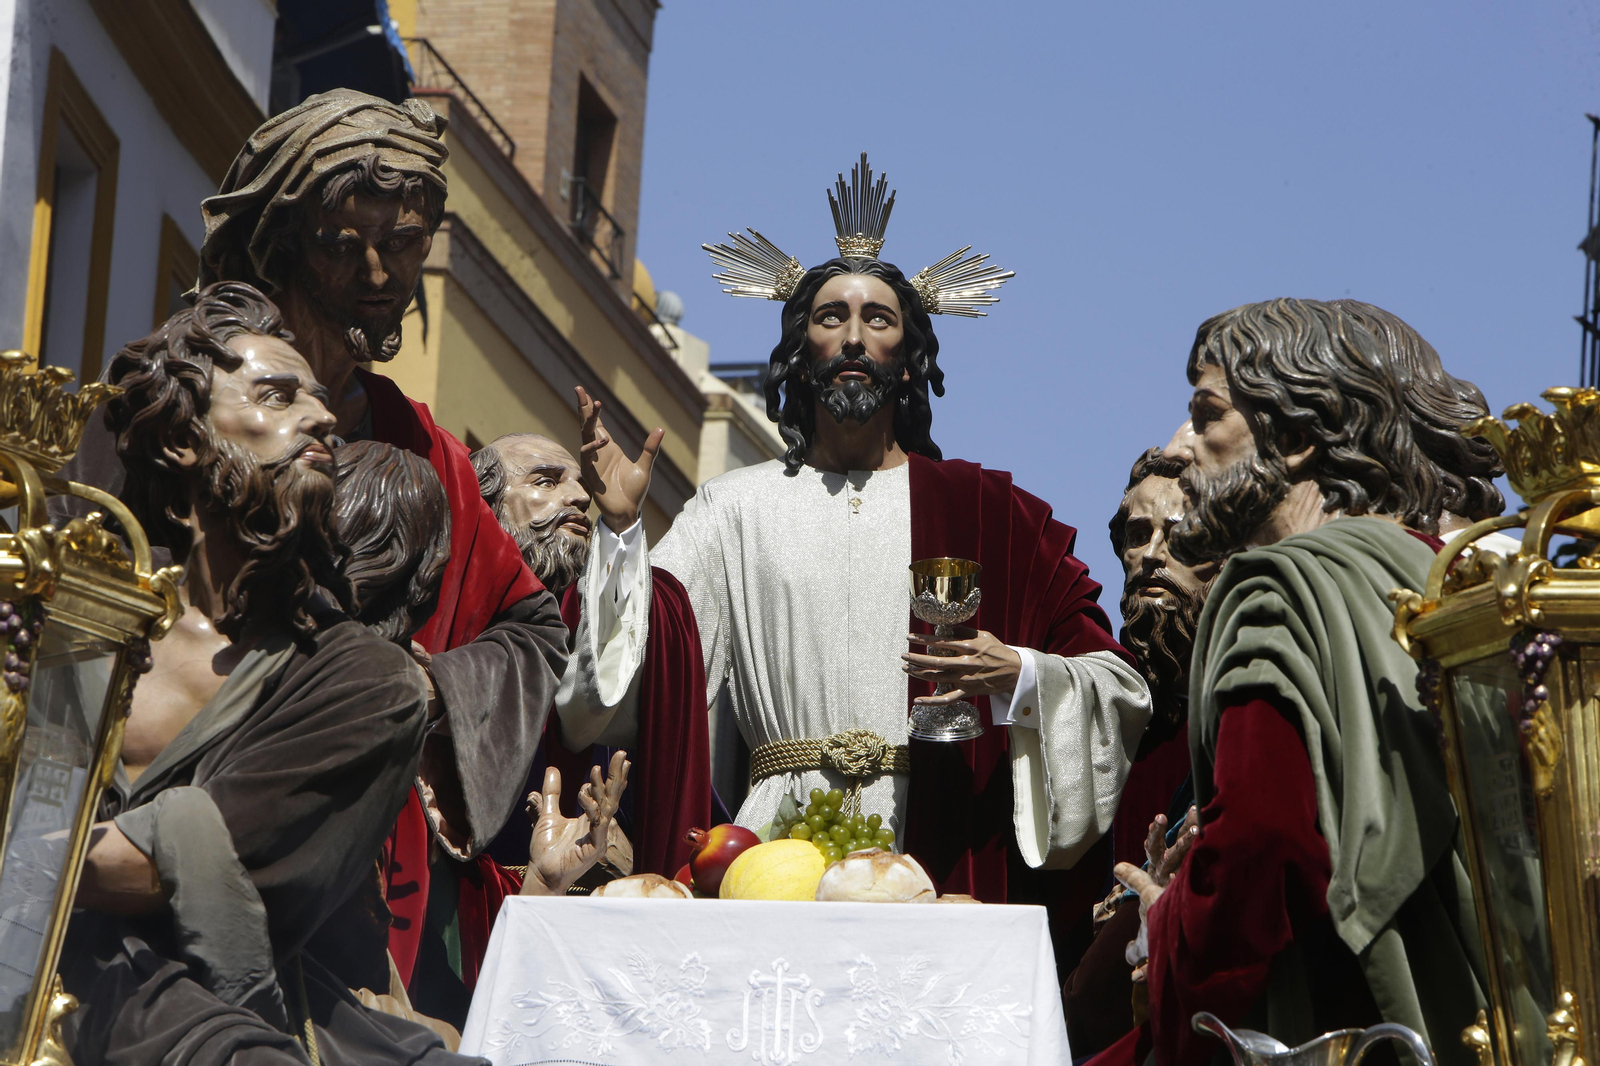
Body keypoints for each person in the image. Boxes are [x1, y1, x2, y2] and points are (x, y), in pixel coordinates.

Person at [558, 155, 1150, 967]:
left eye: (879, 320)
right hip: (773, 850)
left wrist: (1017, 673)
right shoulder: (734, 508)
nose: (853, 337)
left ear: (909, 355)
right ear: (800, 347)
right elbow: (633, 681)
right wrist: (623, 533)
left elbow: (1116, 685)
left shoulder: (988, 512)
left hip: (932, 852)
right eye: (830, 317)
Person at [196, 88, 567, 1008]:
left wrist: (427, 690)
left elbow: (532, 629)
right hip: (200, 794)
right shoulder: (195, 404)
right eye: (342, 243)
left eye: (403, 243)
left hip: (373, 861)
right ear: (283, 240)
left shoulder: (429, 450)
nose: (378, 272)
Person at [61, 283, 469, 1065]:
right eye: (277, 396)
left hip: (209, 1015)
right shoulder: (77, 616)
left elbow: (160, 871)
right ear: (182, 441)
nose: (321, 418)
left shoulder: (362, 683)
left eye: (319, 399)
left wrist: (34, 852)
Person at [1099, 298, 1490, 1066]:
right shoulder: (1436, 572)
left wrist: (1169, 924)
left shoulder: (1277, 592)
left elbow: (1264, 846)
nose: (1185, 450)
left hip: (1333, 1024)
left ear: (1300, 438)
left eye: (1207, 415)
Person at [1064, 447, 1219, 1057]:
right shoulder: (1101, 700)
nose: (1153, 554)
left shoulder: (1238, 707)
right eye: (1137, 535)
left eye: (1178, 535)